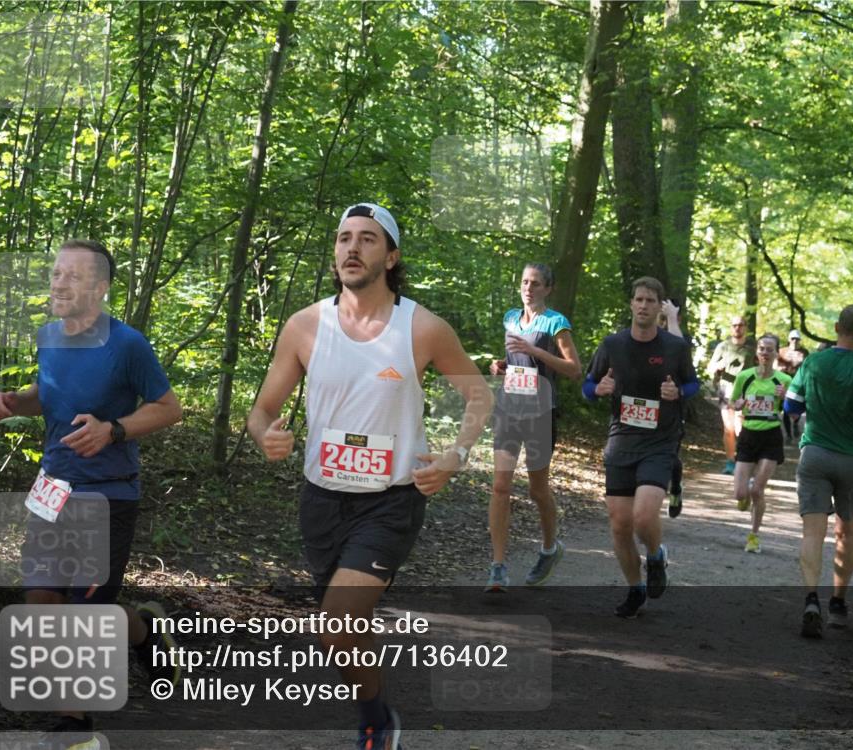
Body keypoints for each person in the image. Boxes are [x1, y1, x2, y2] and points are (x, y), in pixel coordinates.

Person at [247, 203, 493, 750]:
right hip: (321, 500)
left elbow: (479, 394)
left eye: (367, 238)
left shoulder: (422, 328)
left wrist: (456, 454)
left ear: (392, 256)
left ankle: (376, 723)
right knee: (344, 632)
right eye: (344, 238)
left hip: (390, 501)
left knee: (336, 623)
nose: (352, 248)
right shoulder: (305, 326)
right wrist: (266, 435)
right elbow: (262, 410)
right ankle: (377, 709)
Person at [0, 239, 183, 748]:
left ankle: (74, 729)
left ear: (100, 288)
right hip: (53, 489)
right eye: (56, 273)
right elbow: (46, 395)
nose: (59, 283)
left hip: (107, 495)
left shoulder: (127, 344)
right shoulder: (49, 338)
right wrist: (13, 402)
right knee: (42, 601)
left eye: (73, 276)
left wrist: (113, 430)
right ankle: (141, 631)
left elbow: (168, 407)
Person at [583, 277, 699, 619]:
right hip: (621, 440)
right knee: (619, 524)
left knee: (643, 517)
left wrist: (678, 393)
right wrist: (597, 390)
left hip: (660, 442)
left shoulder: (674, 348)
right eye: (639, 299)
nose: (644, 305)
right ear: (631, 304)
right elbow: (588, 386)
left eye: (650, 300)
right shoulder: (612, 344)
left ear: (660, 307)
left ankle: (656, 555)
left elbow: (693, 384)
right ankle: (636, 588)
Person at [784, 305, 853, 638]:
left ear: (836, 327)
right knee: (846, 532)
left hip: (815, 454)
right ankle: (838, 605)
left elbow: (791, 406)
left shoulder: (813, 363)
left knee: (812, 533)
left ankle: (811, 600)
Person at [485, 263, 581, 592]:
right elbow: (517, 360)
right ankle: (498, 567)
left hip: (541, 412)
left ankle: (550, 549)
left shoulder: (556, 323)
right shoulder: (510, 318)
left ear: (548, 289)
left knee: (537, 490)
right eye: (525, 282)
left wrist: (535, 351)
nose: (528, 288)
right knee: (500, 487)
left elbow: (574, 369)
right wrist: (502, 365)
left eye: (536, 283)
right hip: (509, 408)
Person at [729, 334, 792, 553]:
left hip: (771, 436)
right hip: (748, 435)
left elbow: (793, 412)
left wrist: (786, 397)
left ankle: (753, 536)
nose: (765, 353)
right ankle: (744, 494)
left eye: (769, 349)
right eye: (762, 348)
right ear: (757, 351)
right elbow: (733, 401)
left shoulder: (784, 380)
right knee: (740, 494)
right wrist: (738, 404)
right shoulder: (744, 377)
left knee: (757, 490)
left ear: (776, 353)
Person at [707, 315, 755, 474]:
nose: (737, 328)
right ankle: (730, 462)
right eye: (734, 325)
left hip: (746, 391)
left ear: (745, 327)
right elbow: (710, 367)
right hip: (726, 389)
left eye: (740, 325)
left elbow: (762, 365)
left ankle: (743, 459)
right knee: (729, 428)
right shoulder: (723, 346)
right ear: (730, 327)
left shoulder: (752, 346)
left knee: (741, 427)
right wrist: (719, 366)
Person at [660, 299, 691, 518]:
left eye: (669, 314)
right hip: (645, 406)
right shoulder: (644, 335)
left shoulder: (682, 339)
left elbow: (679, 350)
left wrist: (671, 318)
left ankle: (676, 488)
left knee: (670, 454)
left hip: (673, 408)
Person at [778, 329, 809, 444]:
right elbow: (776, 365)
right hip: (785, 382)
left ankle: (795, 424)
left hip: (798, 383)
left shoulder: (804, 352)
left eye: (797, 339)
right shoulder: (782, 351)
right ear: (789, 339)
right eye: (792, 338)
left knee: (798, 406)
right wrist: (780, 369)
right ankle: (788, 435)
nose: (795, 341)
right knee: (786, 409)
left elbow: (807, 365)